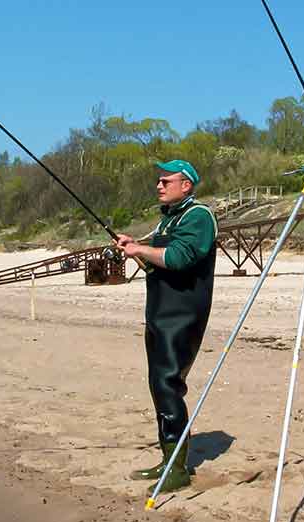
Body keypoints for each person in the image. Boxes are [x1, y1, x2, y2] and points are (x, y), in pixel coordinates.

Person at [116, 159, 217, 493]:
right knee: (159, 384)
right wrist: (136, 249)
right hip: (160, 313)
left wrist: (141, 248)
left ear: (186, 184)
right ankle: (168, 459)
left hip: (182, 315)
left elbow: (179, 257)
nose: (159, 186)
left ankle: (178, 468)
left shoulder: (198, 216)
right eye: (158, 181)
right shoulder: (170, 219)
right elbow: (159, 259)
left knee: (168, 382)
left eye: (165, 181)